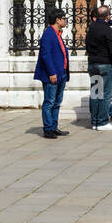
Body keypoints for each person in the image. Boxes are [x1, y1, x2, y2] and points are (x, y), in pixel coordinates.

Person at [85, 6, 112, 131]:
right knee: (106, 94)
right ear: (107, 16)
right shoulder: (108, 31)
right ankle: (102, 121)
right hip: (106, 65)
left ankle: (95, 121)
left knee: (95, 93)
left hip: (93, 64)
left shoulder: (91, 29)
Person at [34, 7, 70, 139]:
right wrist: (51, 73)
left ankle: (54, 127)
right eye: (64, 18)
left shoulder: (58, 34)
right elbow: (46, 55)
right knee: (49, 102)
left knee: (57, 102)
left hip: (62, 73)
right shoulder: (48, 34)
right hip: (53, 74)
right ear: (58, 19)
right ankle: (48, 128)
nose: (66, 21)